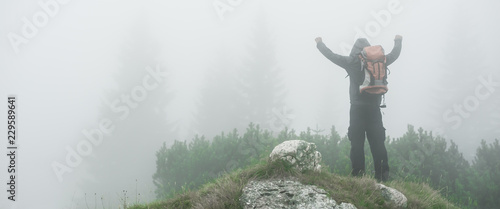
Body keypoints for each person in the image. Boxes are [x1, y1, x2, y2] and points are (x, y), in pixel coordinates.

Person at [315, 35, 402, 181]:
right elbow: (395, 54)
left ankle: (358, 178)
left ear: (355, 50)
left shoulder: (352, 61)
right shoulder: (379, 61)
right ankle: (383, 178)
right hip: (374, 110)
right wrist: (398, 41)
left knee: (357, 145)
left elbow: (331, 56)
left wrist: (319, 44)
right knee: (378, 144)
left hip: (357, 110)